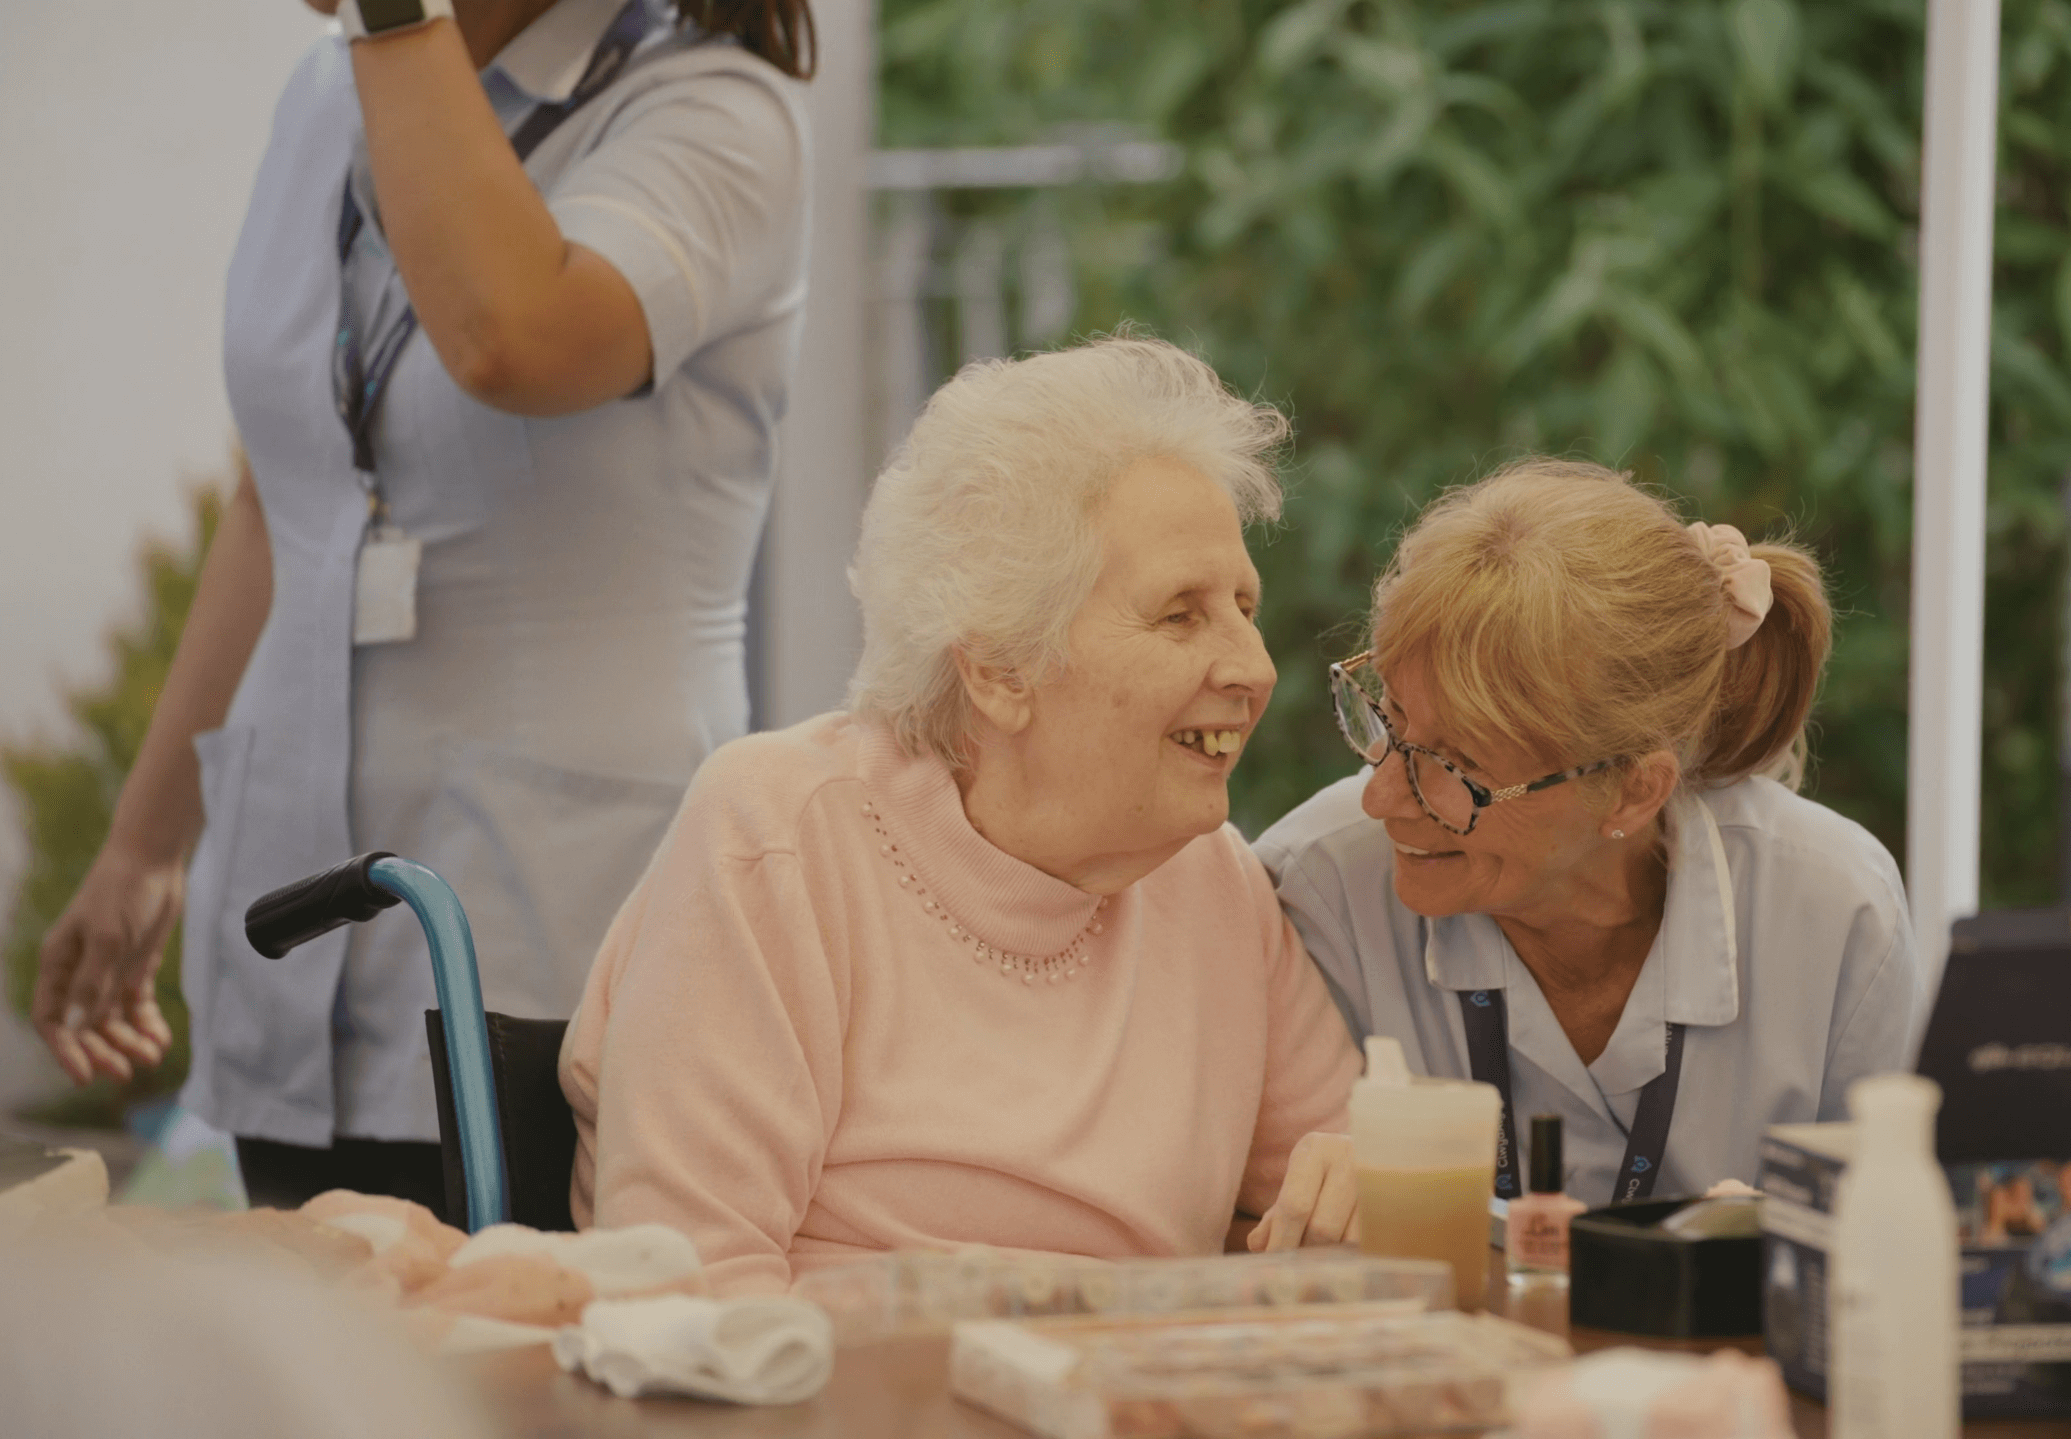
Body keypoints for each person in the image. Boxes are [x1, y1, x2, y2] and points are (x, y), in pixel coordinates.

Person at [32, 0, 815, 1217]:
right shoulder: (327, 91)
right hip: (301, 929)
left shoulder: (714, 109)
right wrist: (145, 845)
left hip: (548, 945)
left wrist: (401, 16)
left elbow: (512, 334)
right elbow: (282, 498)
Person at [561, 336, 1363, 1294]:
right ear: (999, 670)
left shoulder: (1211, 880)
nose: (1254, 668)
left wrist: (1363, 1182)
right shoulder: (779, 833)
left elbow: (1355, 1180)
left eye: (1244, 605)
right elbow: (689, 1291)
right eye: (1181, 615)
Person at [1255, 459, 1926, 1210]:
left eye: (1460, 767)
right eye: (1389, 718)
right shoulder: (1314, 887)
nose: (1380, 798)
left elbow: (1883, 1243)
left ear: (1636, 790)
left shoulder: (1835, 909)